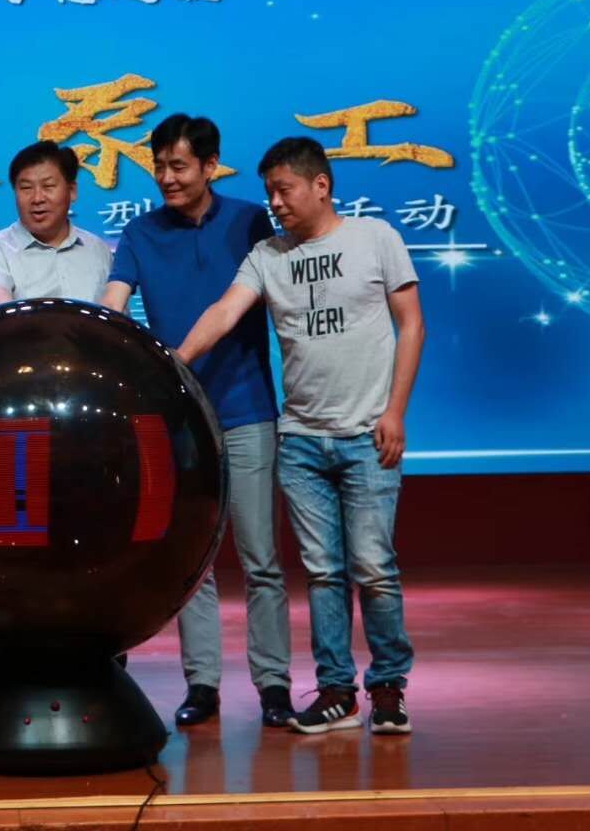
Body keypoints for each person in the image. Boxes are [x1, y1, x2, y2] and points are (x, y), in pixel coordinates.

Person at [176, 136, 425, 736]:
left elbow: (412, 324)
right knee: (322, 572)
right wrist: (176, 360)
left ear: (321, 185)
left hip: (368, 435)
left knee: (374, 567)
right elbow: (224, 312)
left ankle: (388, 688)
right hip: (302, 441)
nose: (276, 203)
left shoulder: (375, 238)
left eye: (284, 190)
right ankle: (337, 690)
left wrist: (395, 411)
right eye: (269, 193)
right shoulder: (267, 255)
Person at [100, 114, 295, 731]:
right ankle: (202, 684)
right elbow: (114, 301)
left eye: (179, 166)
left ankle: (274, 685)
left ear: (210, 166)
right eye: (159, 166)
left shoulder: (251, 222)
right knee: (192, 561)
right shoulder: (140, 232)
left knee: (260, 557)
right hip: (178, 419)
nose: (167, 178)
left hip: (246, 410)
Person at [0, 141, 112, 306]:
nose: (37, 198)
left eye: (48, 186)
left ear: (72, 191)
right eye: (26, 188)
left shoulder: (98, 250)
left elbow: (115, 315)